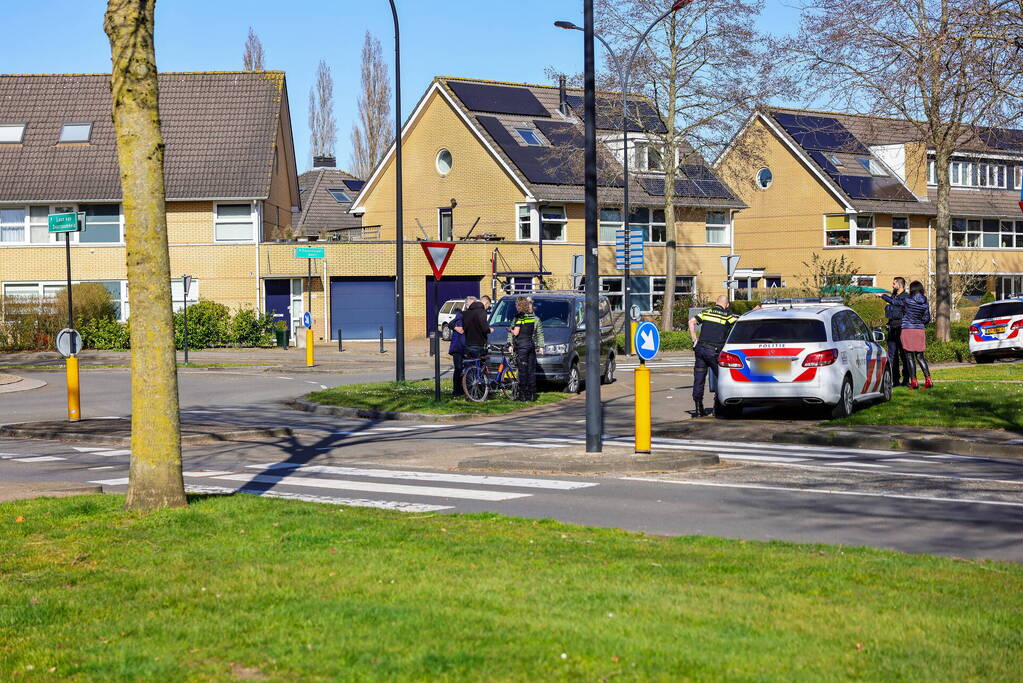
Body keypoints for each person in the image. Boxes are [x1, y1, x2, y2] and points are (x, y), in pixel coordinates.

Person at [688, 295, 739, 417]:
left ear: (716, 302)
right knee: (721, 378)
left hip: (700, 349)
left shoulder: (706, 312)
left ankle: (699, 409)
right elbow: (740, 322)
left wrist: (694, 339)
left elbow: (691, 322)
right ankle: (718, 406)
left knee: (699, 379)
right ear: (727, 305)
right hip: (714, 351)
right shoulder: (726, 316)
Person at [876, 277, 909, 386]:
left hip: (901, 329)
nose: (892, 285)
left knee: (903, 355)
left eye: (894, 283)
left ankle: (906, 379)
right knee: (892, 355)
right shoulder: (894, 296)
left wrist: (883, 296)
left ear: (899, 285)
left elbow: (895, 302)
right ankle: (895, 379)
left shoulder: (905, 297)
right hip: (892, 328)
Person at [510, 296, 544, 401]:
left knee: (522, 371)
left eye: (517, 305)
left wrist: (510, 330)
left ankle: (522, 395)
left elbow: (516, 332)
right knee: (531, 371)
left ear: (519, 306)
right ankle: (532, 395)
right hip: (530, 345)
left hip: (522, 346)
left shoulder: (520, 317)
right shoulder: (531, 317)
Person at [900, 280, 933, 389]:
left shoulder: (907, 300)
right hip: (919, 330)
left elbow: (895, 302)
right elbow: (927, 318)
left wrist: (883, 296)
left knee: (909, 356)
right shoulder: (925, 302)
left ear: (912, 289)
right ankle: (928, 380)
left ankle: (914, 382)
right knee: (920, 357)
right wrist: (919, 323)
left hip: (908, 329)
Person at [462, 295, 491, 360]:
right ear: (486, 303)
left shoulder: (467, 312)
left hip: (468, 344)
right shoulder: (482, 311)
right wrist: (489, 330)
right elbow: (484, 328)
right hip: (478, 344)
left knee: (471, 365)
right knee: (479, 366)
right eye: (488, 306)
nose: (487, 308)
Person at [447, 308, 466, 397]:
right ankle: (457, 391)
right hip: (459, 349)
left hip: (457, 348)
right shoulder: (460, 320)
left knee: (459, 370)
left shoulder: (457, 320)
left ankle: (458, 390)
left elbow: (450, 324)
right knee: (459, 369)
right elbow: (462, 333)